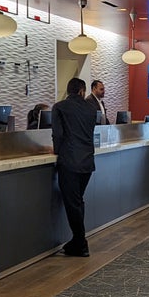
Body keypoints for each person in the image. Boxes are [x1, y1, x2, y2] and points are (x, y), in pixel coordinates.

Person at [52, 78, 97, 257]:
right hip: (87, 162)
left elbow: (58, 134)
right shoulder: (91, 109)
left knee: (73, 203)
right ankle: (78, 241)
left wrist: (56, 150)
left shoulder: (59, 107)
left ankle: (80, 242)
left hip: (69, 161)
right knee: (78, 201)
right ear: (82, 91)